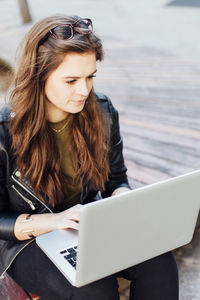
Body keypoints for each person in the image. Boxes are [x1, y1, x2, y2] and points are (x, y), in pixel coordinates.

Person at [0, 14, 178, 300]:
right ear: (39, 75)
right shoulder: (3, 132)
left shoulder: (102, 111)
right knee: (93, 289)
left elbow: (116, 180)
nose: (84, 91)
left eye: (90, 77)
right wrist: (54, 222)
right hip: (27, 241)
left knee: (159, 263)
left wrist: (121, 198)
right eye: (71, 80)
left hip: (87, 227)